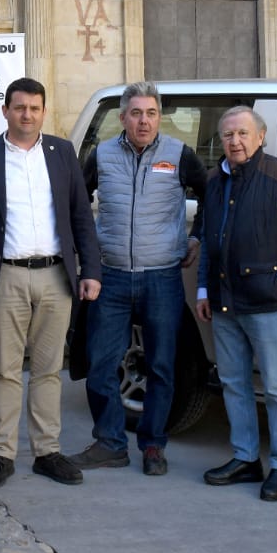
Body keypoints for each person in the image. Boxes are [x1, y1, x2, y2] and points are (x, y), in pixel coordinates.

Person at [0, 77, 102, 490]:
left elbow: (80, 217)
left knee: (49, 370)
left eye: (35, 108)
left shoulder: (61, 153)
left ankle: (46, 451)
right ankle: (2, 454)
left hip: (57, 275)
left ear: (43, 111)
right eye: (20, 107)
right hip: (6, 277)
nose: (27, 115)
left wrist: (90, 270)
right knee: (5, 370)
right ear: (5, 110)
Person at [67, 81, 206, 476]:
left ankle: (153, 445)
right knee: (100, 364)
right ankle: (110, 442)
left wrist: (197, 237)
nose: (143, 121)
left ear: (159, 117)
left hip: (162, 278)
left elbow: (212, 193)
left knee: (163, 366)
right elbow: (77, 204)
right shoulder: (102, 154)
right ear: (122, 117)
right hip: (110, 277)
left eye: (151, 113)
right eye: (135, 113)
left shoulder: (180, 155)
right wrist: (86, 256)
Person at [195, 105, 277, 501]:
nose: (235, 141)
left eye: (243, 134)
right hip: (223, 302)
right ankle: (246, 459)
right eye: (228, 135)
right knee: (234, 383)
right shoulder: (214, 180)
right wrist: (202, 291)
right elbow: (208, 240)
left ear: (260, 137)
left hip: (268, 302)